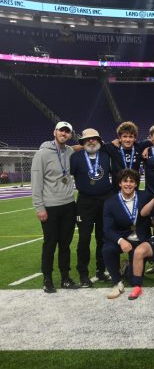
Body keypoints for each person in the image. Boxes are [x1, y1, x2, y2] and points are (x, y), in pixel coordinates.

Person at [31, 121, 79, 293]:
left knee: (65, 244)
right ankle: (47, 279)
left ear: (70, 135)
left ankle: (65, 278)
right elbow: (36, 183)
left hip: (68, 205)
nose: (64, 134)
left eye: (67, 132)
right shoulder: (42, 154)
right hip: (50, 207)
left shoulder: (70, 151)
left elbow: (81, 147)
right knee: (50, 244)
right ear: (55, 132)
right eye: (61, 131)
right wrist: (39, 207)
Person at [70, 128, 113, 287]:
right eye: (88, 139)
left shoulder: (106, 155)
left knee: (103, 238)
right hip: (85, 203)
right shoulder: (75, 157)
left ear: (100, 141)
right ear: (82, 142)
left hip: (104, 201)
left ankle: (101, 270)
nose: (91, 141)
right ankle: (83, 274)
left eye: (95, 138)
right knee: (84, 239)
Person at [101, 169, 152, 299]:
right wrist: (120, 241)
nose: (128, 184)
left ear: (136, 184)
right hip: (122, 238)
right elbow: (107, 229)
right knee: (108, 249)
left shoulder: (145, 196)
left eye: (131, 181)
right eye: (125, 181)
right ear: (120, 183)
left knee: (133, 279)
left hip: (139, 240)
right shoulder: (110, 203)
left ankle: (126, 268)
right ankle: (117, 283)